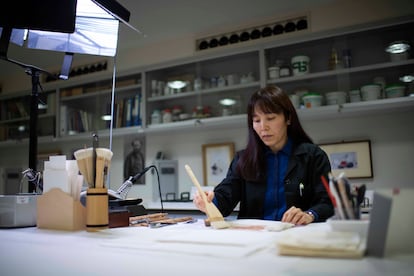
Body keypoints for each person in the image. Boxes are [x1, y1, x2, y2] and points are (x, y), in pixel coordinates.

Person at [193, 85, 334, 225]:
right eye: (257, 120)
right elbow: (225, 199)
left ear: (288, 118)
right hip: (255, 237)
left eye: (270, 118)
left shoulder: (313, 156)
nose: (263, 127)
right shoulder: (243, 160)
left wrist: (309, 215)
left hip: (297, 236)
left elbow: (327, 203)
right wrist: (209, 202)